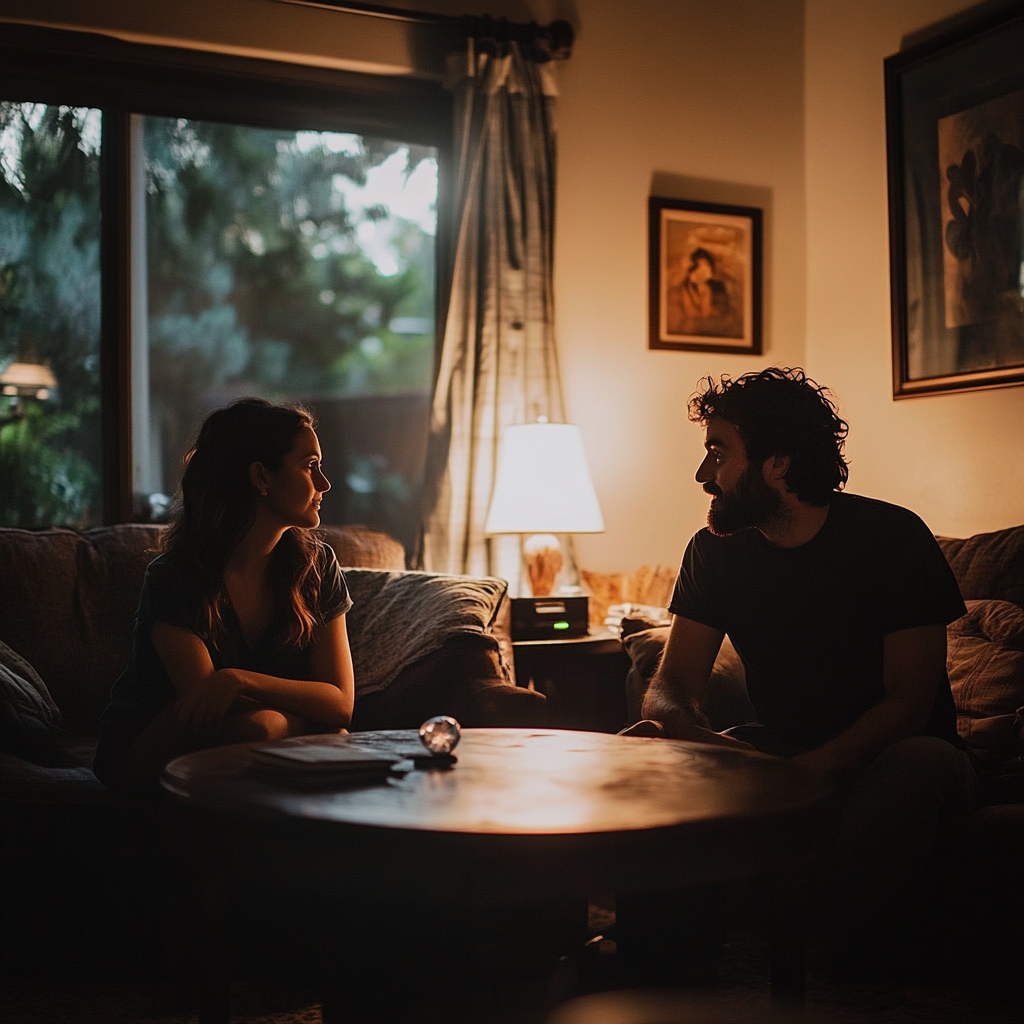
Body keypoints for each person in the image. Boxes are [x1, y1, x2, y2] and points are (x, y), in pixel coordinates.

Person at [627, 367, 977, 977]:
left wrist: (799, 776)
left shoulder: (891, 537)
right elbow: (669, 688)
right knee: (643, 748)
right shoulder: (714, 551)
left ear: (779, 464)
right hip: (777, 746)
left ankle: (842, 963)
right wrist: (703, 745)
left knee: (918, 762)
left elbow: (909, 704)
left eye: (717, 452)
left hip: (897, 751)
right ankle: (656, 961)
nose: (702, 474)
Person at [94, 398, 355, 797]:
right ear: (261, 478)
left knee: (314, 732)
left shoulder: (317, 567)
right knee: (277, 730)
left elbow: (339, 702)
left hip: (248, 740)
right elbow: (208, 707)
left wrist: (238, 679)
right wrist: (307, 719)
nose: (324, 484)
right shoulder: (175, 575)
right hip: (146, 751)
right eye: (309, 465)